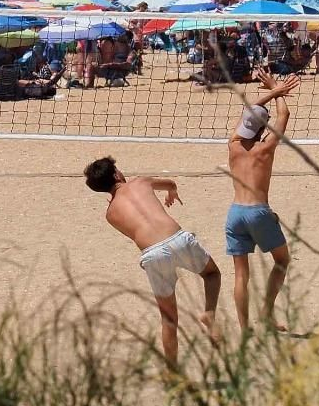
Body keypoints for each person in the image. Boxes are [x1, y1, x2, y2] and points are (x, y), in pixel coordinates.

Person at [84, 156, 220, 366]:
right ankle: (209, 313)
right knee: (212, 274)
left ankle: (172, 372)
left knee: (168, 319)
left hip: (153, 253)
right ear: (116, 174)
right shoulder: (140, 182)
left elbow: (134, 233)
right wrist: (172, 193)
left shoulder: (110, 214)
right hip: (177, 239)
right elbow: (171, 183)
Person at [225, 71, 298, 330]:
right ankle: (266, 313)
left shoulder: (233, 145)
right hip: (258, 211)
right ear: (262, 129)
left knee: (240, 276)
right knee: (282, 261)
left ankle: (245, 329)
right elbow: (284, 115)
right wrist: (278, 91)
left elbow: (249, 112)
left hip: (235, 214)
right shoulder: (265, 149)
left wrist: (273, 91)